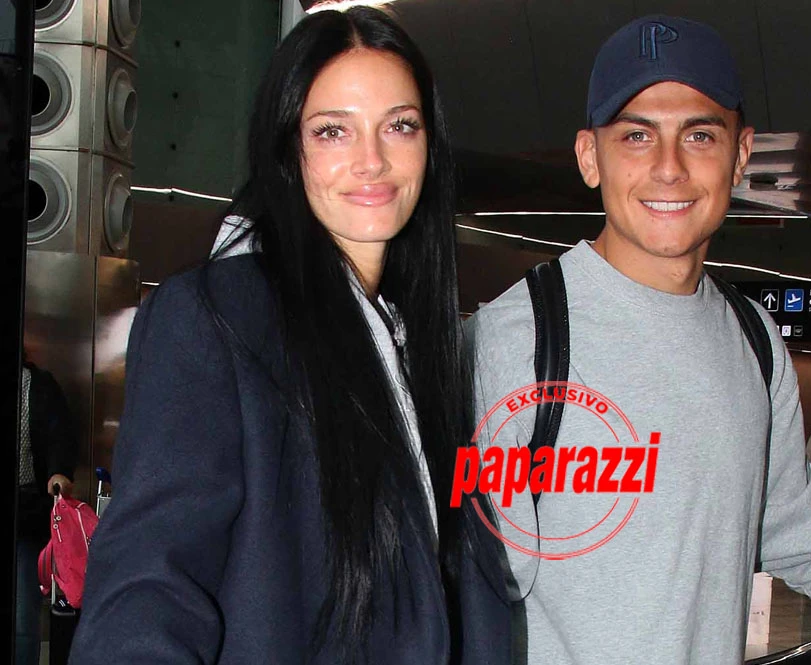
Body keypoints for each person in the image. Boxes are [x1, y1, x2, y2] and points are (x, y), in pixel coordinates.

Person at [469, 15, 811, 665]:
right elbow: (456, 590)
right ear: (589, 157)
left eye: (699, 135)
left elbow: (809, 539)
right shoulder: (514, 343)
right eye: (636, 136)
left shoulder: (754, 342)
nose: (669, 168)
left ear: (741, 155)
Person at [70, 8, 508, 664]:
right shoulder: (217, 319)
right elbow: (149, 578)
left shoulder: (421, 341)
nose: (372, 160)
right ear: (288, 150)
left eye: (400, 126)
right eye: (333, 131)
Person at [16, 356, 78, 665]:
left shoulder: (38, 385)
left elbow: (59, 437)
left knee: (23, 617)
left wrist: (58, 472)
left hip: (25, 509)